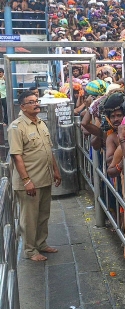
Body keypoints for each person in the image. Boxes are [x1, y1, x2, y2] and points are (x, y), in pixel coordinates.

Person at [8, 90, 62, 261]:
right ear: (22, 107)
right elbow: (17, 156)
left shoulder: (40, 123)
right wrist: (26, 181)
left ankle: (41, 243)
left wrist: (56, 170)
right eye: (31, 102)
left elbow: (48, 149)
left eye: (36, 101)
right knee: (29, 218)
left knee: (43, 215)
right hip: (29, 182)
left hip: (44, 178)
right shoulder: (16, 127)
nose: (36, 104)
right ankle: (30, 250)